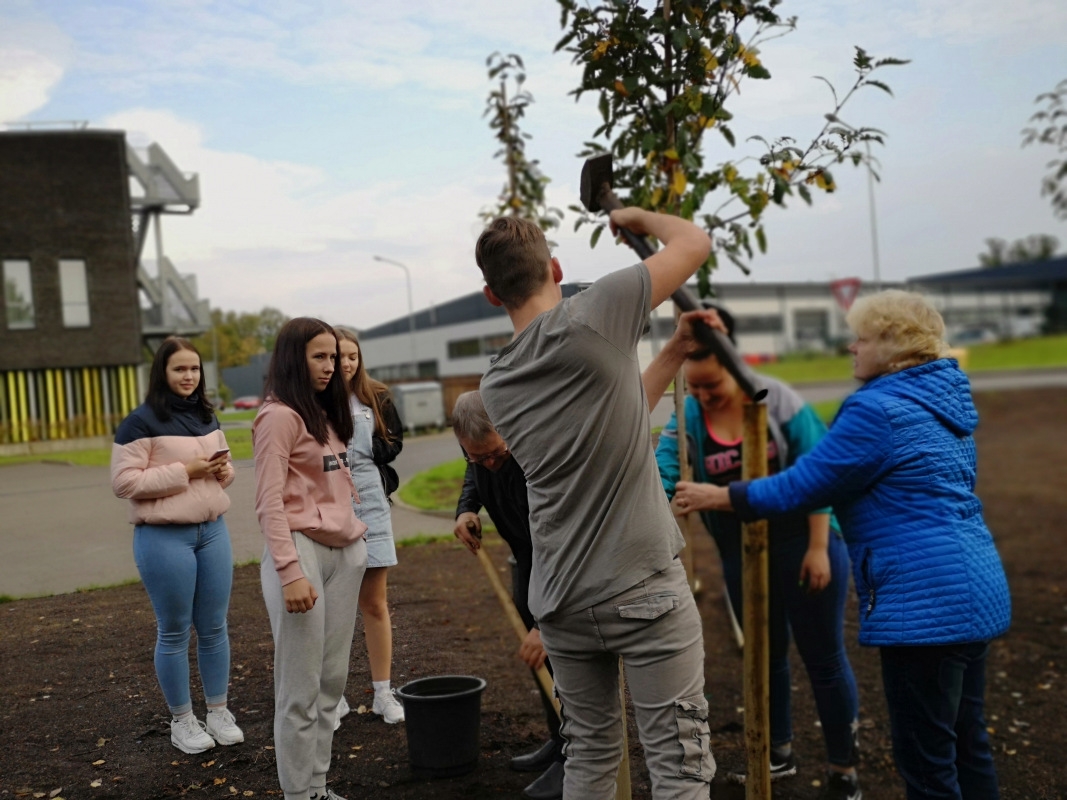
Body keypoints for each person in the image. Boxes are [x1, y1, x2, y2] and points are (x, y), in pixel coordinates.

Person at [687, 290, 1011, 800]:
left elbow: (806, 483)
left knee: (927, 762)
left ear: (893, 346)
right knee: (968, 743)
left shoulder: (876, 410)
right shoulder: (943, 402)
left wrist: (724, 494)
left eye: (861, 338)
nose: (851, 348)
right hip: (975, 584)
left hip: (923, 601)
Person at [476, 210, 716, 799]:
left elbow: (615, 414)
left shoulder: (496, 385)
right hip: (643, 590)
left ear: (490, 295)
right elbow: (693, 242)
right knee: (680, 767)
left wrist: (675, 351)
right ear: (556, 268)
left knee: (589, 760)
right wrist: (633, 217)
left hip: (561, 604)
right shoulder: (597, 309)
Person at [653, 304, 861, 798]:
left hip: (803, 540)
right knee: (764, 659)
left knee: (823, 657)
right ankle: (777, 752)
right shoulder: (686, 416)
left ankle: (844, 771)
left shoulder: (776, 400)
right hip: (738, 551)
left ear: (734, 365)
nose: (702, 396)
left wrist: (817, 547)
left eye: (712, 387)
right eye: (695, 388)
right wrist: (661, 503)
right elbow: (664, 470)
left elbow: (819, 473)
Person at [111, 337, 244, 755]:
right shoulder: (140, 422)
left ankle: (218, 711)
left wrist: (223, 472)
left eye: (194, 369)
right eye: (179, 369)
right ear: (162, 374)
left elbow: (223, 471)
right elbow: (124, 483)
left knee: (215, 627)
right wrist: (185, 470)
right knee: (173, 631)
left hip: (213, 531)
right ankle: (183, 720)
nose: (189, 376)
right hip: (164, 536)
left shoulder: (207, 415)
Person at [254, 317, 368, 800]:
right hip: (301, 554)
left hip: (346, 553)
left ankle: (317, 787)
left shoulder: (327, 413)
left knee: (331, 683)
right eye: (319, 357)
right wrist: (289, 571)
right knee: (300, 688)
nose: (332, 366)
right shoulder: (279, 416)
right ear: (293, 359)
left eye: (336, 356)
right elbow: (268, 502)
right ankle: (297, 794)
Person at [451, 390, 565, 800]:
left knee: (562, 660)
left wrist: (545, 622)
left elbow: (556, 543)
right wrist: (467, 508)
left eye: (495, 454)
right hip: (524, 557)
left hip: (556, 564)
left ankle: (576, 759)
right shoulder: (478, 453)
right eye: (476, 457)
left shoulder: (539, 455)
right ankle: (560, 740)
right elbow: (473, 475)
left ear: (510, 429)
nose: (489, 464)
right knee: (541, 663)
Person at [334, 328, 405, 726]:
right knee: (335, 606)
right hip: (330, 505)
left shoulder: (376, 395)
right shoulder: (312, 402)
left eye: (351, 356)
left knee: (374, 603)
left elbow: (395, 440)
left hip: (372, 502)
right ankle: (333, 695)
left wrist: (372, 450)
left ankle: (383, 692)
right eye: (337, 356)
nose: (345, 363)